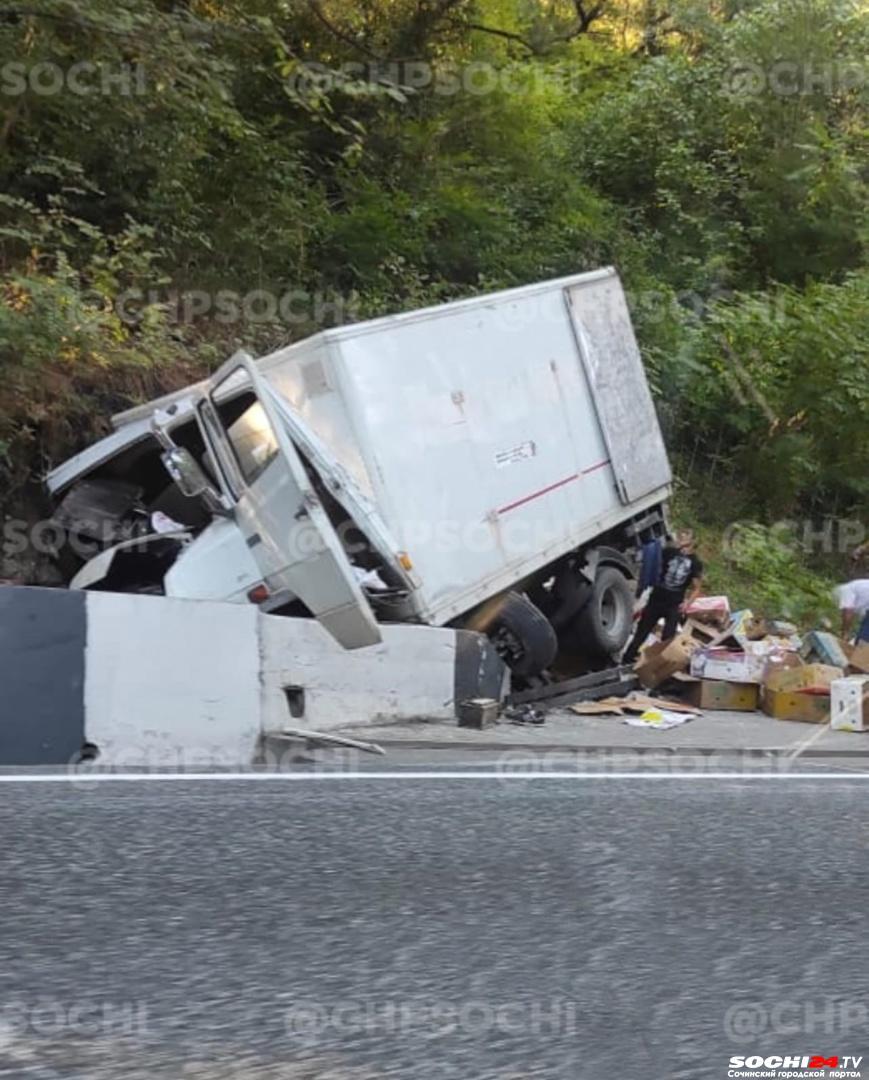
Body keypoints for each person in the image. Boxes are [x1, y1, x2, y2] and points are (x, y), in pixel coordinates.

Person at [622, 529, 704, 664]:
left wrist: (687, 603)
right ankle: (627, 659)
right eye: (681, 534)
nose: (681, 536)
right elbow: (653, 562)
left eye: (686, 535)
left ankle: (657, 665)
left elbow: (696, 588)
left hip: (674, 604)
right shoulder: (669, 552)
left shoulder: (695, 563)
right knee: (642, 631)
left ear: (692, 541)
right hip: (656, 599)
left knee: (668, 637)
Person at [837, 577, 869, 644]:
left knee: (863, 639)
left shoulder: (847, 590)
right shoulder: (858, 586)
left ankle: (860, 650)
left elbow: (848, 612)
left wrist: (845, 633)